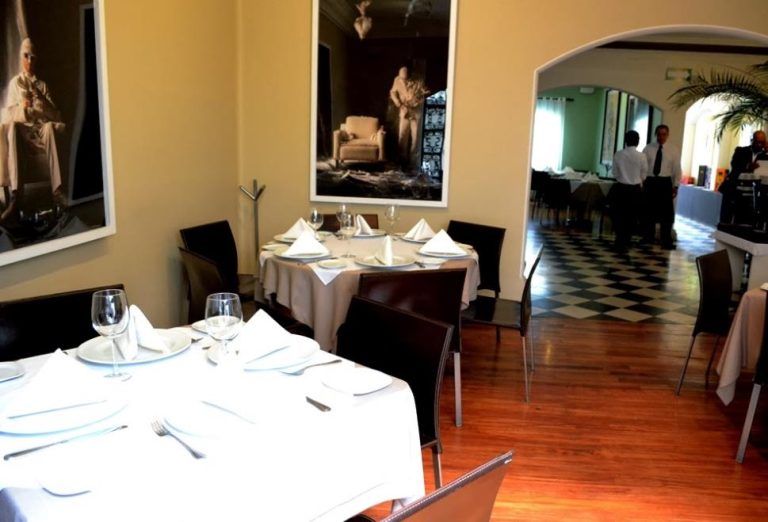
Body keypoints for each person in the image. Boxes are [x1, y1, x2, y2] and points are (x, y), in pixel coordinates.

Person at [0, 37, 66, 224]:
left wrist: (42, 101)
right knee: (13, 127)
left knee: (50, 128)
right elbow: (7, 115)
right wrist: (22, 107)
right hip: (23, 133)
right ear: (21, 57)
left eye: (33, 57)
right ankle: (16, 197)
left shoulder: (42, 86)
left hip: (40, 132)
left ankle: (57, 192)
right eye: (26, 56)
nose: (29, 60)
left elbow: (56, 115)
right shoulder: (15, 84)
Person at [641, 124, 681, 249]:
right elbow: (643, 167)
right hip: (650, 181)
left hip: (665, 182)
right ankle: (647, 237)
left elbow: (677, 169)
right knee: (648, 211)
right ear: (656, 134)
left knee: (666, 214)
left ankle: (666, 240)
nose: (661, 137)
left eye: (664, 134)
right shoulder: (648, 149)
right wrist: (642, 182)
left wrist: (676, 186)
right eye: (659, 134)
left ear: (667, 135)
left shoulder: (673, 150)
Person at [718, 130, 768, 224]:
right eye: (757, 142)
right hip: (735, 189)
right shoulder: (741, 151)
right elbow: (734, 165)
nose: (760, 145)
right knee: (727, 217)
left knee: (744, 219)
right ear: (752, 140)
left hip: (751, 192)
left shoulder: (765, 155)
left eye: (762, 142)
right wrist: (747, 166)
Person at [611, 130, 647, 252]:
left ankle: (619, 240)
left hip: (621, 189)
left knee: (619, 215)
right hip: (635, 190)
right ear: (637, 142)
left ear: (625, 141)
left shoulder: (618, 154)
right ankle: (627, 240)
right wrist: (637, 179)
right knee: (632, 216)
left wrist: (622, 177)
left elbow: (615, 173)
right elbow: (644, 174)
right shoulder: (642, 156)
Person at [389, 66, 429, 169]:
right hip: (404, 112)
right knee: (402, 136)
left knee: (416, 138)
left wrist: (417, 102)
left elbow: (425, 94)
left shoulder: (418, 80)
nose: (403, 80)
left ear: (410, 76)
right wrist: (398, 102)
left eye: (405, 78)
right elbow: (392, 92)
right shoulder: (397, 80)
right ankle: (402, 162)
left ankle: (413, 163)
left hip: (416, 113)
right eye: (402, 78)